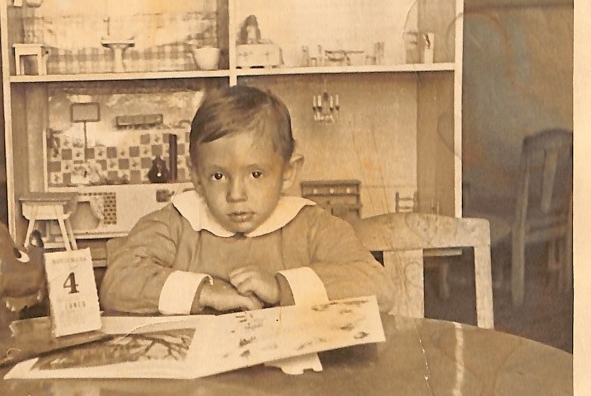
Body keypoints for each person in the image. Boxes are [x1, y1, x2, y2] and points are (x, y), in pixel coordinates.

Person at [100, 85, 394, 315]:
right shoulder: (178, 222)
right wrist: (205, 293)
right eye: (218, 176)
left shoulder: (311, 224)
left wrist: (281, 287)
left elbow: (377, 285)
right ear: (197, 178)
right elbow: (117, 282)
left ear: (288, 172)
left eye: (255, 174)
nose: (235, 195)